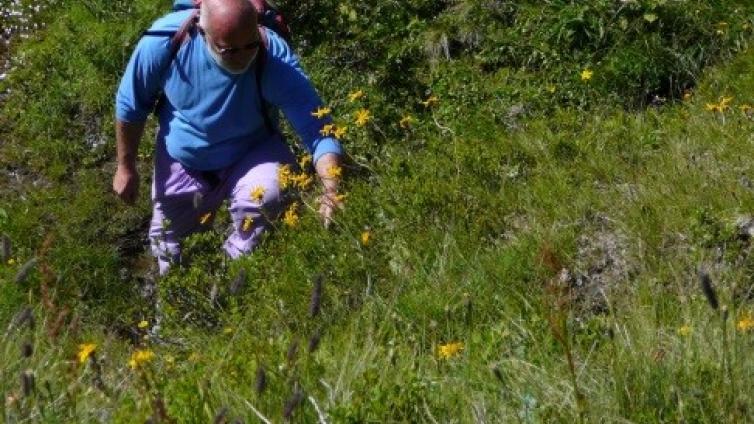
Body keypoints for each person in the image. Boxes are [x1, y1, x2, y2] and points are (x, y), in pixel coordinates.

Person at [112, 0, 343, 275]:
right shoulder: (166, 41)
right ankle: (178, 308)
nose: (243, 56)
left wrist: (331, 189)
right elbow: (131, 105)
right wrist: (126, 167)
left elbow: (317, 127)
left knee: (267, 200)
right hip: (184, 158)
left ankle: (230, 281)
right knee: (169, 250)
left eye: (250, 45)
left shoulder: (272, 55)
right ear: (202, 30)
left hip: (253, 151)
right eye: (229, 49)